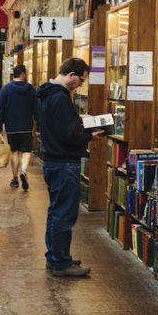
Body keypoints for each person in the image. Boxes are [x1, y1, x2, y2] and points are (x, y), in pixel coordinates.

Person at [37, 58, 104, 277]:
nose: (81, 84)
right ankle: (59, 262)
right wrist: (88, 135)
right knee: (64, 213)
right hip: (64, 162)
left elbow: (58, 127)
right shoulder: (60, 98)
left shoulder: (47, 94)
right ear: (72, 75)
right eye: (81, 79)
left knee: (56, 211)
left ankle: (57, 256)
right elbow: (68, 135)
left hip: (53, 160)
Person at [0, 65, 38, 190]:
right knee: (26, 151)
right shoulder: (31, 89)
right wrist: (39, 126)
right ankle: (23, 171)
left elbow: (1, 109)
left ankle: (15, 179)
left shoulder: (6, 89)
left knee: (14, 152)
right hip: (26, 126)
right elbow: (36, 109)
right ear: (23, 74)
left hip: (11, 127)